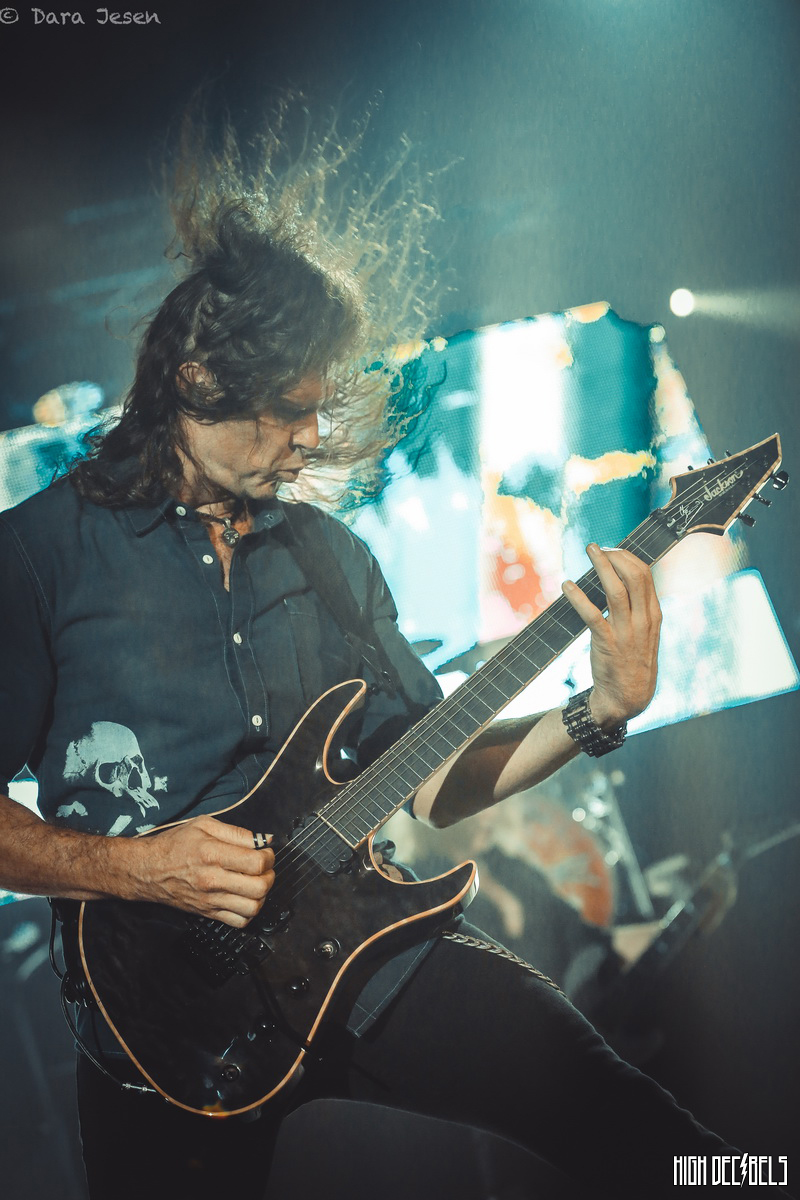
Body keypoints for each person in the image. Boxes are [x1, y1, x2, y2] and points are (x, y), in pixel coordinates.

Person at [0, 147, 735, 1199]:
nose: (312, 438)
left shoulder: (331, 559)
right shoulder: (39, 555)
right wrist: (140, 869)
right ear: (196, 382)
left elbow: (431, 780)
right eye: (288, 411)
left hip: (361, 949)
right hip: (158, 1017)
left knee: (635, 1129)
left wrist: (599, 711)